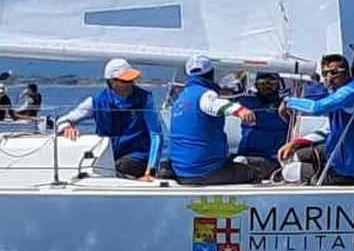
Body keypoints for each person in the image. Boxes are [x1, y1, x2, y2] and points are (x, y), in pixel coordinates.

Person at [277, 53, 354, 185]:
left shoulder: (350, 92)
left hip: (347, 173)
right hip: (342, 156)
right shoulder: (341, 93)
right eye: (325, 74)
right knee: (294, 155)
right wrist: (295, 143)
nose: (329, 78)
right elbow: (327, 130)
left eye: (334, 73)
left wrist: (288, 102)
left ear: (347, 73)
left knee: (289, 172)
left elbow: (317, 108)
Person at [57, 58, 162, 180]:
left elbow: (156, 134)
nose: (131, 84)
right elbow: (62, 121)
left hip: (138, 156)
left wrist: (151, 170)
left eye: (132, 79)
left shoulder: (145, 99)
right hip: (106, 158)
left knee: (121, 166)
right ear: (112, 82)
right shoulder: (96, 102)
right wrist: (67, 126)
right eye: (126, 80)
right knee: (95, 169)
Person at [169, 55, 262, 185]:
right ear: (211, 73)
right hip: (205, 171)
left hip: (181, 171)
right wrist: (240, 110)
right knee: (254, 172)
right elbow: (214, 104)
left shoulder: (180, 99)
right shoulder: (206, 94)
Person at [235, 72, 289, 179]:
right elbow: (226, 94)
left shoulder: (285, 104)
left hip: (270, 160)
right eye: (262, 83)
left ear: (279, 84)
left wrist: (288, 100)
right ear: (256, 85)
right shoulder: (247, 101)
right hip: (246, 154)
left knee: (240, 163)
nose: (267, 86)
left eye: (272, 82)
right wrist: (239, 80)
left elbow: (310, 97)